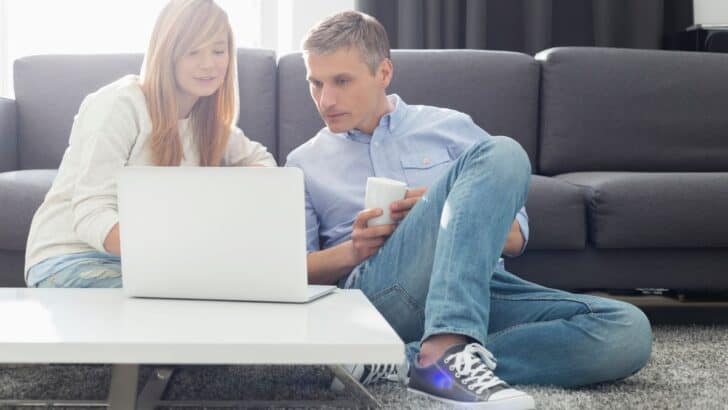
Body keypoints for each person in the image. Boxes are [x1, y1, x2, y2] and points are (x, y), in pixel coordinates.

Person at [285, 11, 652, 408]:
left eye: (341, 81)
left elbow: (513, 239)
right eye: (315, 83)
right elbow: (293, 270)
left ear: (383, 73)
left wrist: (451, 204)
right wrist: (356, 251)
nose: (326, 100)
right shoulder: (304, 162)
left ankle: (412, 362)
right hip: (381, 296)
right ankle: (445, 347)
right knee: (503, 151)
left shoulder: (449, 127)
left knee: (628, 330)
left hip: (478, 285)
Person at [24, 0, 275, 289]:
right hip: (71, 256)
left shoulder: (207, 123)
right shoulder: (120, 104)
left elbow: (264, 163)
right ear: (167, 53)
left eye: (218, 51)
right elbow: (92, 212)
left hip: (147, 262)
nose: (209, 64)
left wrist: (220, 189)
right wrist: (177, 249)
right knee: (198, 304)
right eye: (193, 51)